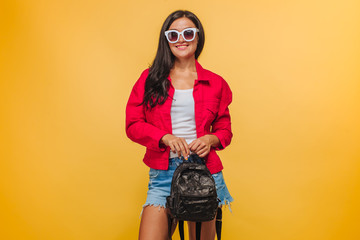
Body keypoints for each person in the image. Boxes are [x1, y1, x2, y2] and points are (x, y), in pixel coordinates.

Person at [126, 10, 233, 240]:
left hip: (204, 173)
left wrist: (210, 139)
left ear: (197, 36)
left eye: (187, 33)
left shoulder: (217, 83)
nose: (181, 39)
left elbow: (225, 129)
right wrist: (164, 137)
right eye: (173, 35)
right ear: (167, 40)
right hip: (163, 173)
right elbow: (133, 124)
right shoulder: (150, 79)